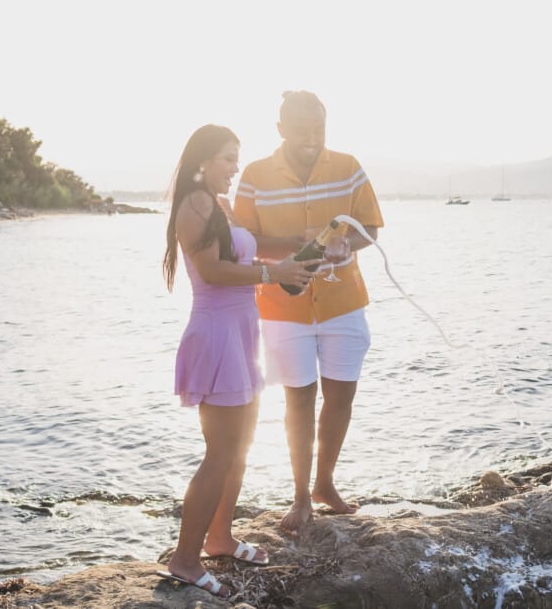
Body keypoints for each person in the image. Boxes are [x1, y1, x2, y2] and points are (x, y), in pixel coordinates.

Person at [158, 124, 315, 599]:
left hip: (243, 332)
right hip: (217, 335)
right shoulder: (194, 204)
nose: (235, 168)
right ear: (204, 159)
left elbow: (251, 247)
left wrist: (296, 244)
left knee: (241, 447)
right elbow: (213, 270)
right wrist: (274, 273)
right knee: (220, 453)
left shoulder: (220, 205)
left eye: (237, 158)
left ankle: (219, 537)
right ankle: (185, 560)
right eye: (228, 158)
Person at [233, 91, 384, 535]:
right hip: (283, 306)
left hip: (343, 304)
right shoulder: (256, 176)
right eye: (302, 132)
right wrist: (298, 246)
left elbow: (370, 229)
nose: (312, 140)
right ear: (281, 130)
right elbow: (244, 242)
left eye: (319, 130)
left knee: (341, 397)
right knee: (299, 399)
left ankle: (324, 484)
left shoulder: (348, 167)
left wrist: (344, 244)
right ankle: (300, 496)